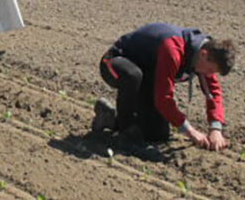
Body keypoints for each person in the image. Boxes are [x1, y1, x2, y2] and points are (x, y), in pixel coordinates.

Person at [91, 23, 235, 150]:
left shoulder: (205, 56)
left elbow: (213, 93)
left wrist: (216, 129)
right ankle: (125, 130)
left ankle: (109, 118)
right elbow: (164, 98)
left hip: (146, 73)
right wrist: (191, 132)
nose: (210, 74)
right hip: (115, 63)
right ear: (204, 54)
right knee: (132, 76)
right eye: (210, 70)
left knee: (158, 134)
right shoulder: (172, 49)